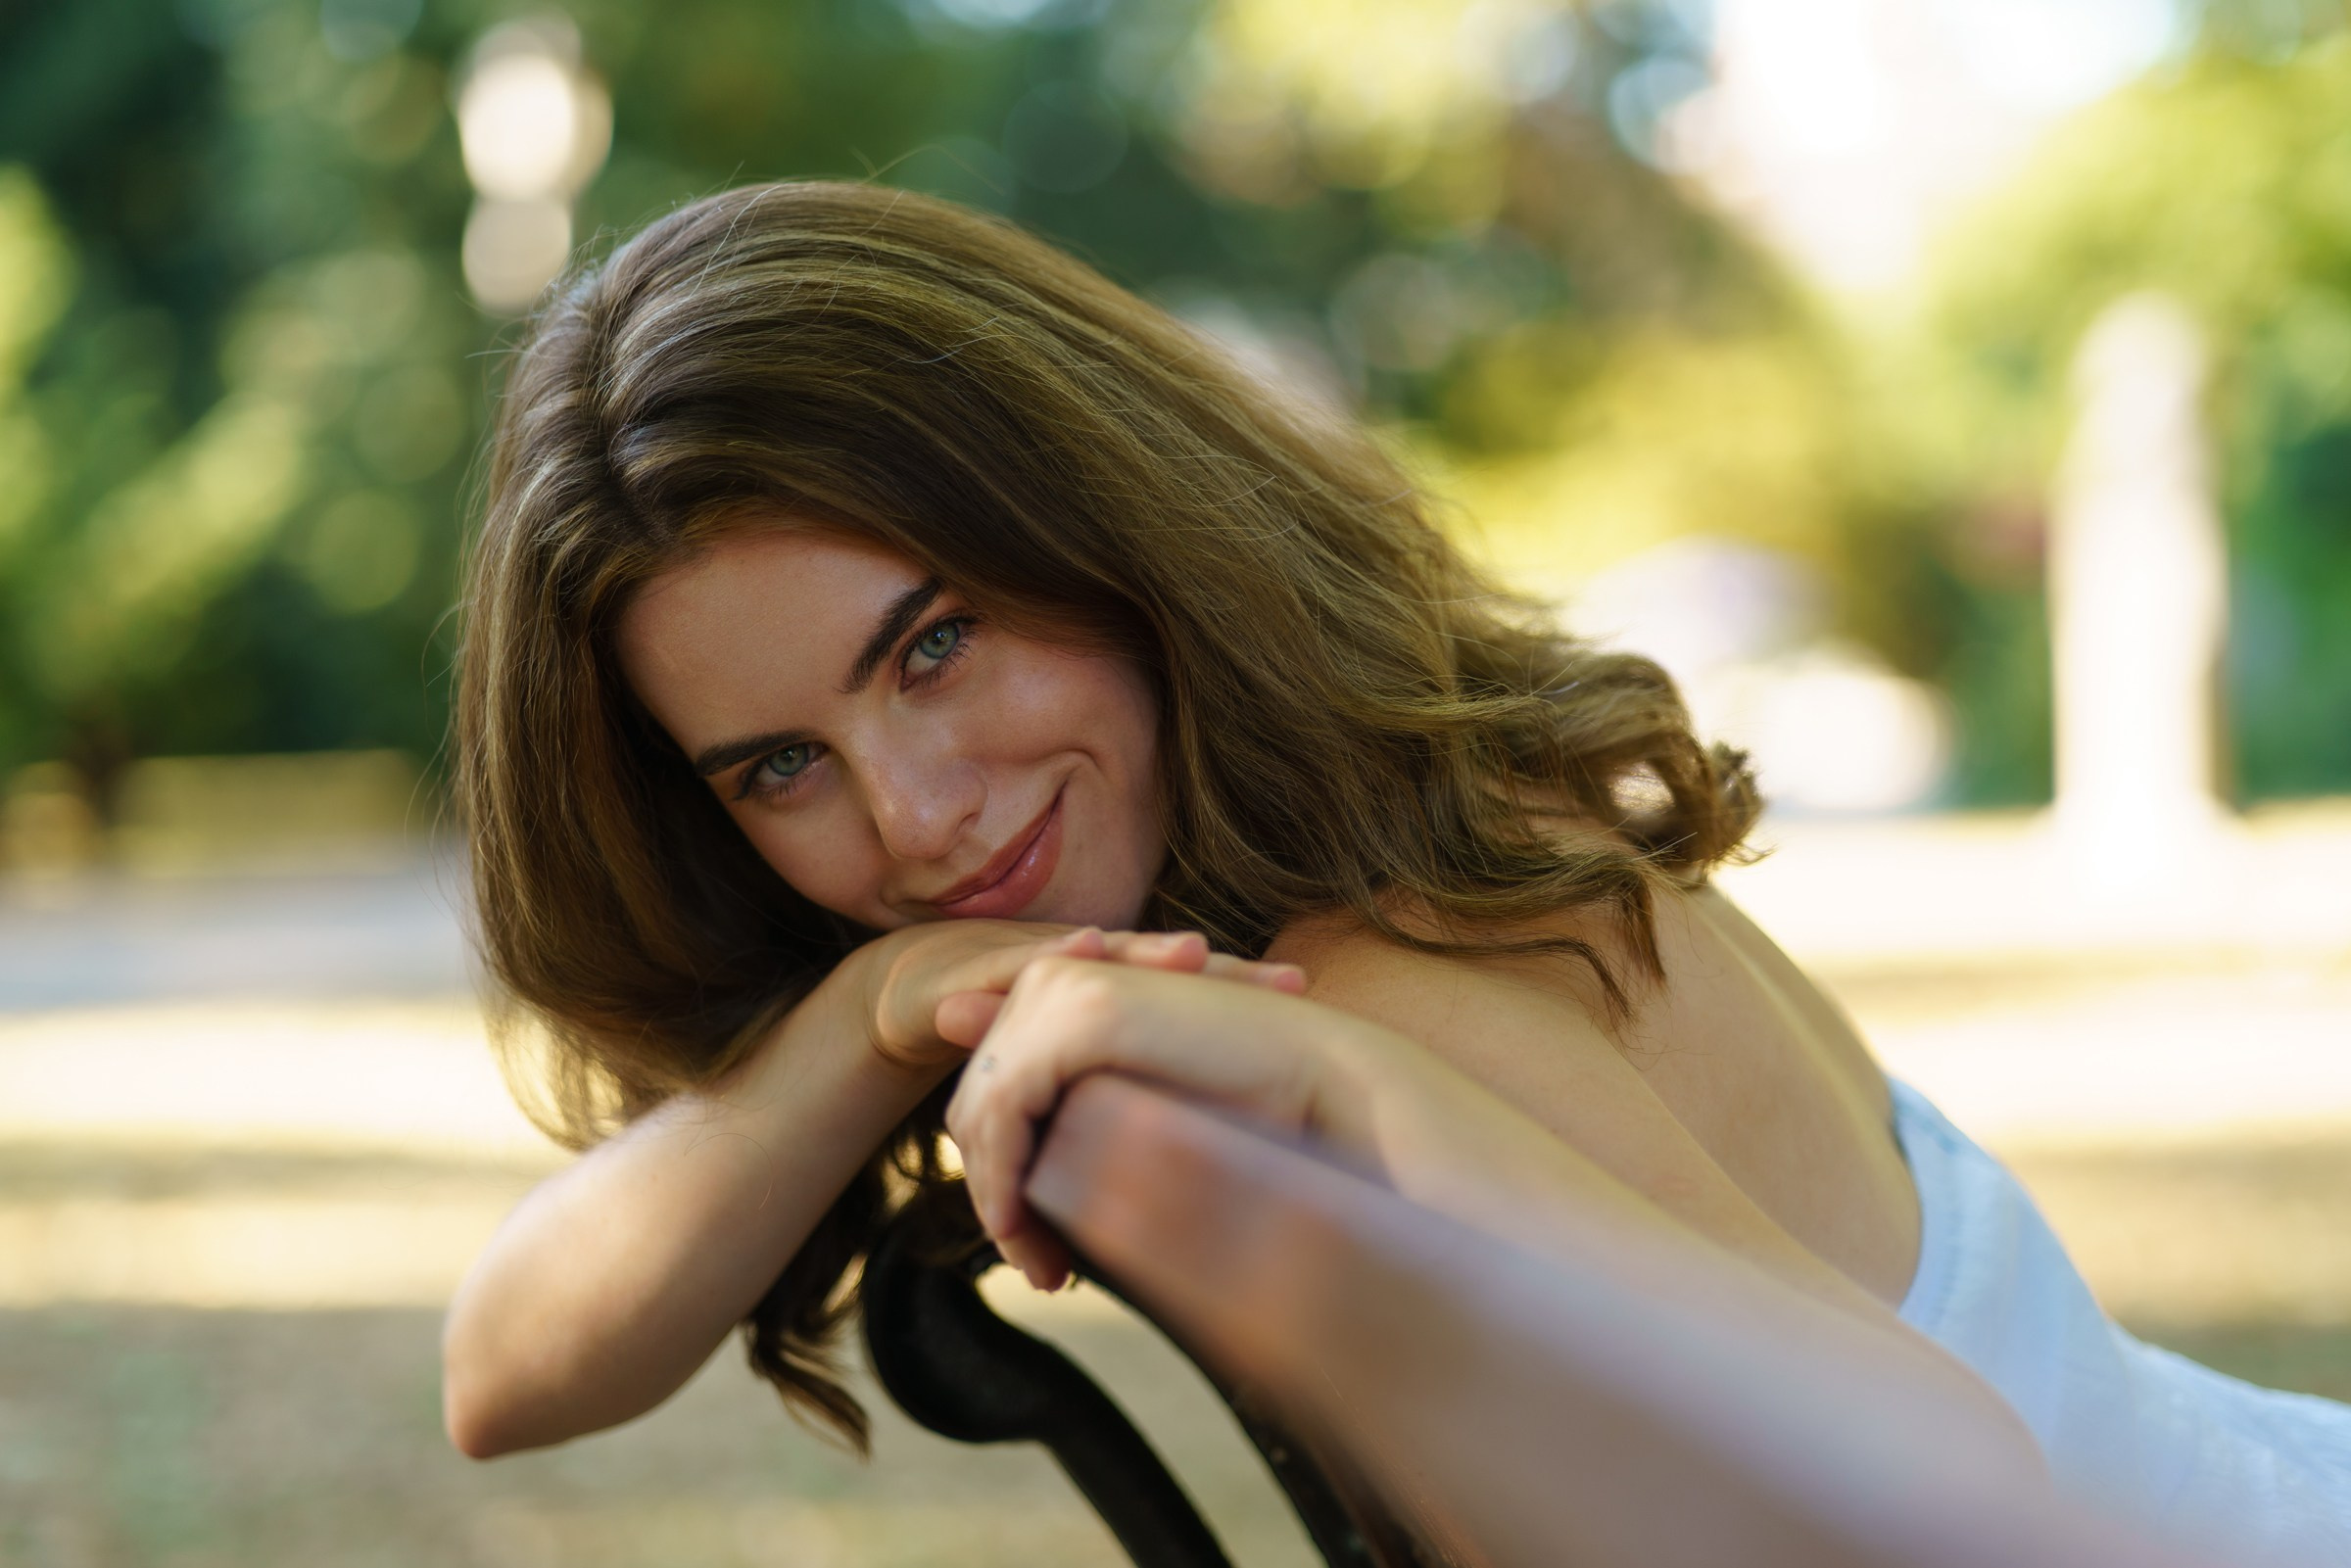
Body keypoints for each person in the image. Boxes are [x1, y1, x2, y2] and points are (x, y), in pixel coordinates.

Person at [443, 180, 2350, 1561]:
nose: (916, 817)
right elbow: (504, 1372)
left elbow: (1963, 1497)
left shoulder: (1396, 947)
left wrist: (1351, 1079)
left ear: (1100, 524)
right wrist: (871, 1006)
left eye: (932, 644)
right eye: (784, 767)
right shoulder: (1288, 878)